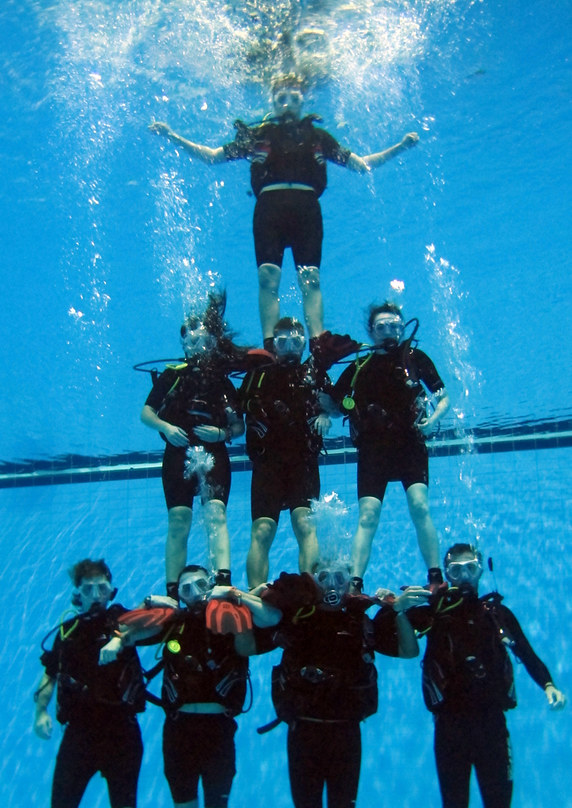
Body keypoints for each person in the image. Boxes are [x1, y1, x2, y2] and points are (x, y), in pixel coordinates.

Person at [216, 566, 429, 808]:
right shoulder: (296, 617)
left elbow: (409, 650)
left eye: (341, 578)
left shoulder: (360, 621)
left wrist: (397, 611)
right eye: (325, 577)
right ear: (313, 581)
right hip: (305, 736)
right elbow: (246, 648)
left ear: (353, 582)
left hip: (345, 735)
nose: (333, 585)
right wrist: (242, 604)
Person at [149, 74, 419, 340]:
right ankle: (270, 343)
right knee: (268, 277)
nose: (287, 103)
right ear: (273, 103)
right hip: (269, 210)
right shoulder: (257, 136)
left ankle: (318, 341)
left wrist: (401, 147)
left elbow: (361, 165)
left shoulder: (319, 137)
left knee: (310, 278)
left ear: (303, 101)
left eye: (293, 97)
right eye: (281, 98)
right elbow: (211, 157)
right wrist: (172, 135)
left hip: (307, 210)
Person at [412, 543, 572, 808]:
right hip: (450, 729)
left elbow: (525, 651)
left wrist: (549, 684)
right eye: (456, 569)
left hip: (491, 730)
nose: (464, 576)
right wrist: (399, 606)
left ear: (482, 570)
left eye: (470, 568)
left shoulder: (496, 613)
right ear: (445, 572)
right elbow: (399, 635)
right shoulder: (435, 611)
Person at [0, 560, 153, 808]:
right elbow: (49, 673)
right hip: (80, 736)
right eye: (89, 590)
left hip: (120, 732)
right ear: (77, 594)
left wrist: (123, 639)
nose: (97, 596)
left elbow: (159, 625)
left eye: (103, 587)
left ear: (112, 589)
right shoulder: (67, 631)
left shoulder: (124, 620)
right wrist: (41, 712)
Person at [100, 565, 253, 808]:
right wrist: (149, 605)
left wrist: (233, 600)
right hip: (179, 731)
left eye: (200, 584)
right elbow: (127, 632)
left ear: (210, 585)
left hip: (217, 731)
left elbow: (248, 645)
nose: (193, 591)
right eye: (185, 587)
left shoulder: (226, 619)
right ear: (178, 593)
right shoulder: (172, 625)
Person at [330, 301, 450, 593]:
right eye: (381, 327)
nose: (389, 332)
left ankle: (436, 579)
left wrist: (433, 419)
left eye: (394, 326)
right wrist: (324, 379)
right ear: (371, 331)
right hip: (374, 448)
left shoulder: (415, 357)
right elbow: (334, 405)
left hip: (410, 442)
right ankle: (355, 585)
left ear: (402, 327)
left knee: (420, 507)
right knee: (368, 515)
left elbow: (443, 396)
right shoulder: (359, 364)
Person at [140, 292, 244, 599]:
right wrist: (166, 427)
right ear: (184, 345)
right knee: (179, 519)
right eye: (191, 342)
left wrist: (223, 434)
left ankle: (223, 581)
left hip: (214, 452)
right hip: (177, 451)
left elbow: (238, 425)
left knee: (216, 515)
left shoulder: (221, 381)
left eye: (203, 342)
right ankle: (173, 592)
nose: (197, 348)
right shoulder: (172, 376)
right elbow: (146, 413)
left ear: (212, 344)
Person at [239, 316, 333, 589]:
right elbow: (235, 410)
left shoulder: (314, 373)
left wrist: (327, 413)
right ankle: (256, 594)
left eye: (296, 341)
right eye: (283, 342)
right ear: (274, 345)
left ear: (304, 345)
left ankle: (311, 590)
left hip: (303, 461)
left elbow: (337, 403)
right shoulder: (257, 375)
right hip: (268, 463)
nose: (290, 347)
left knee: (305, 524)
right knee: (262, 530)